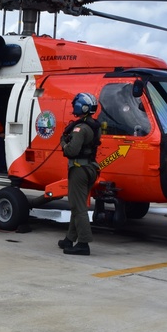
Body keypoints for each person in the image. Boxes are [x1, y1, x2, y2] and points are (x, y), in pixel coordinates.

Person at [59, 92, 102, 255]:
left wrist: (63, 142)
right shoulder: (93, 126)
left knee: (78, 207)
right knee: (77, 204)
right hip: (91, 168)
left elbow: (71, 151)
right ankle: (69, 239)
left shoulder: (80, 128)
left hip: (79, 169)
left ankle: (83, 243)